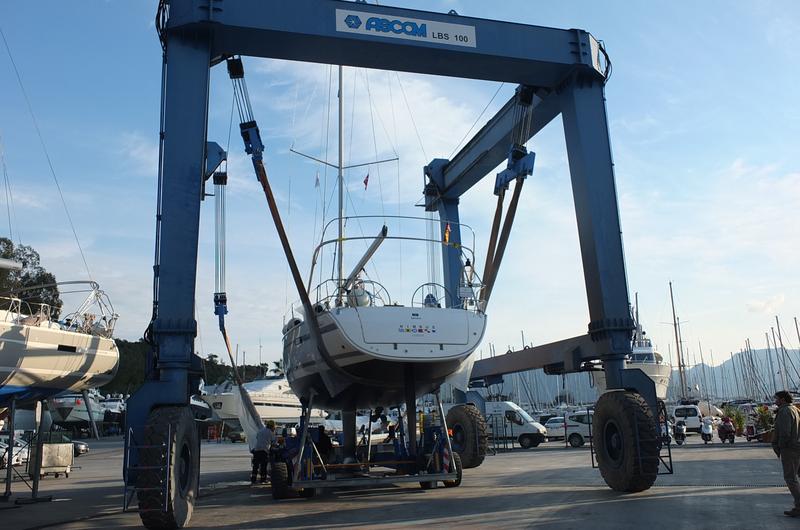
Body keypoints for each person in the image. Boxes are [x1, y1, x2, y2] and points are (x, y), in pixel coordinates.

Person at [773, 390, 800, 517]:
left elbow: (785, 432)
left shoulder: (784, 411)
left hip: (790, 449)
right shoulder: (795, 409)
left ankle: (799, 506)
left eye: (776, 399)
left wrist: (780, 447)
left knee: (790, 478)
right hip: (796, 447)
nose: (775, 401)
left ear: (782, 399)